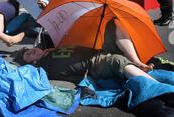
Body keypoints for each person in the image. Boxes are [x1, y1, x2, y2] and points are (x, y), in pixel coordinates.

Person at [14, 45, 156, 84]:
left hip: (100, 51)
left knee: (115, 27)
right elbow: (70, 78)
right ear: (32, 62)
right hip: (96, 63)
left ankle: (137, 65)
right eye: (29, 54)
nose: (31, 50)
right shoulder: (46, 68)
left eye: (30, 49)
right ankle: (157, 85)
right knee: (118, 61)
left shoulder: (52, 49)